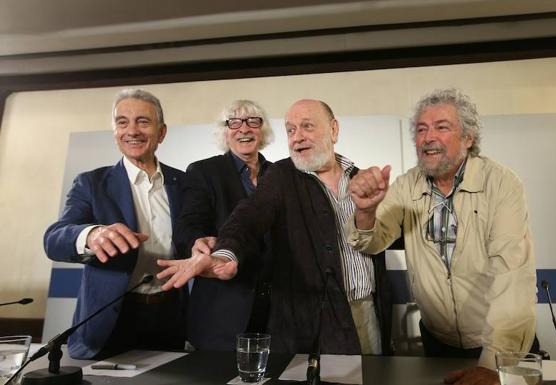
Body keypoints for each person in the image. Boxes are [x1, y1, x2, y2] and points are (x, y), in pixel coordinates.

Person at [158, 99, 392, 355]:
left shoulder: (361, 179)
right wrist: (224, 253)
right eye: (291, 130)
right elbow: (247, 218)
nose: (297, 137)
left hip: (368, 311)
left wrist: (368, 210)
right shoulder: (282, 176)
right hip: (314, 318)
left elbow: (378, 240)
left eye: (307, 126)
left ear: (334, 130)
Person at [347, 88, 536, 385]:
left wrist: (494, 363)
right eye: (421, 129)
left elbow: (511, 276)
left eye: (441, 127)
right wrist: (366, 211)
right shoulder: (406, 184)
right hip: (438, 341)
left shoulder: (501, 183)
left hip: (495, 344)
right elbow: (372, 242)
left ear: (468, 138)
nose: (428, 137)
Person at [44, 89, 186, 359]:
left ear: (162, 132)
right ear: (115, 132)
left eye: (143, 122)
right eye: (122, 122)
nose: (132, 130)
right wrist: (92, 234)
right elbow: (54, 239)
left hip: (172, 318)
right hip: (110, 321)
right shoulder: (91, 183)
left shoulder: (186, 183)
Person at [173, 100, 274, 351]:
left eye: (253, 121)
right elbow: (187, 225)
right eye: (234, 122)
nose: (244, 129)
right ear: (225, 131)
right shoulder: (204, 171)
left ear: (262, 130)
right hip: (222, 310)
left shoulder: (279, 175)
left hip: (275, 311)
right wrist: (197, 241)